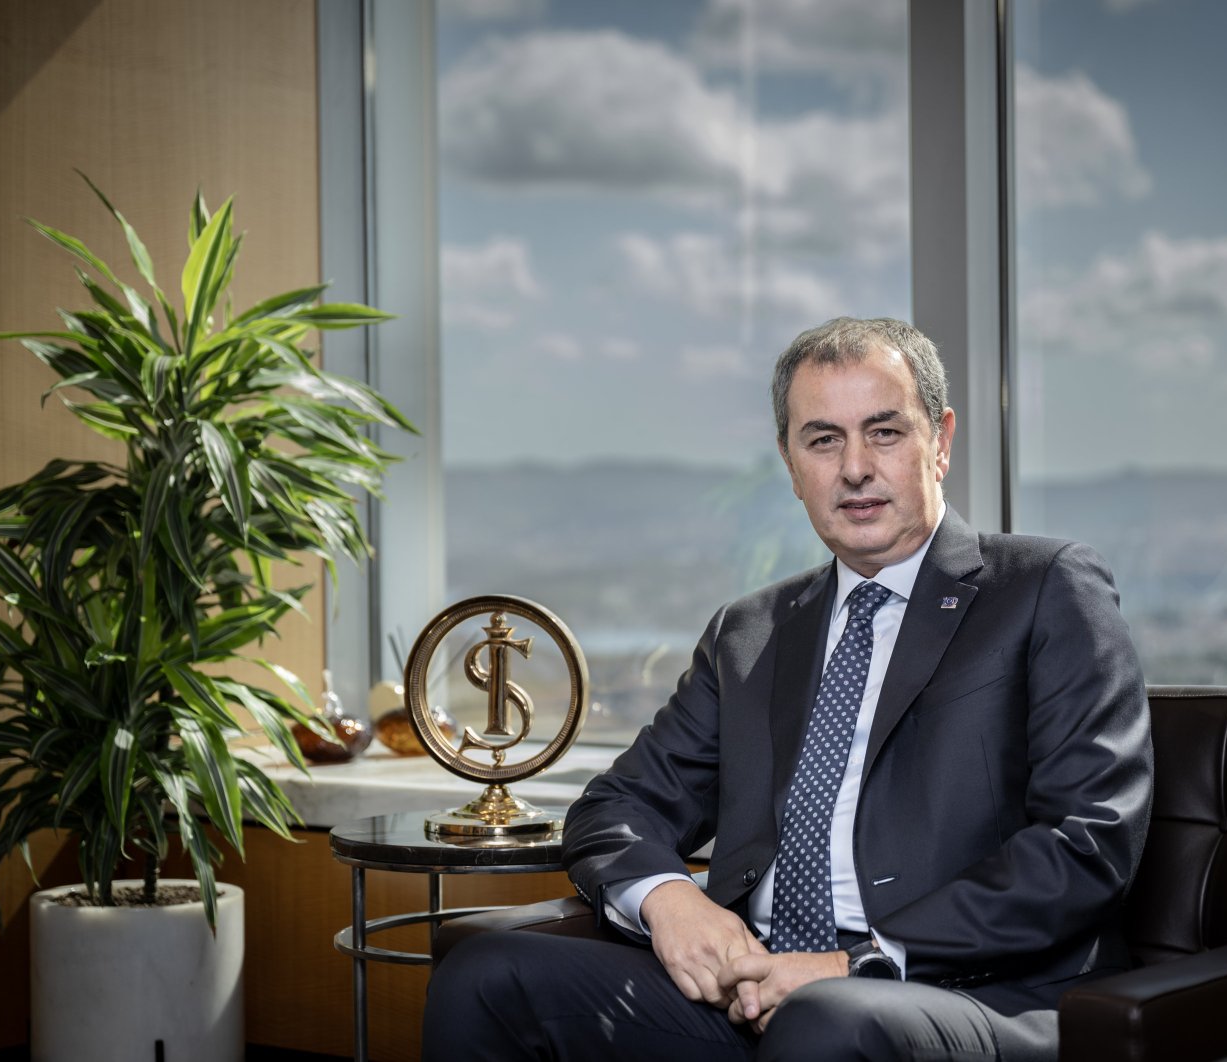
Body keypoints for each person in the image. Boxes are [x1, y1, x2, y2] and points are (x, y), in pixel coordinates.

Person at [424, 317, 1153, 1061]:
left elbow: (1085, 842)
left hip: (968, 992)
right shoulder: (751, 633)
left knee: (826, 1022)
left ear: (941, 440)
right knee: (486, 974)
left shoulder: (1043, 588)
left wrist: (851, 964)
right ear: (790, 462)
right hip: (752, 984)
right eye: (824, 439)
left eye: (886, 432)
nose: (856, 468)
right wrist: (671, 903)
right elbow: (616, 807)